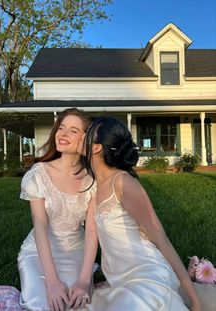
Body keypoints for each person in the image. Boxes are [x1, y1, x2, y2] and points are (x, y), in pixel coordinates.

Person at [70, 116, 201, 311]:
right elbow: (91, 235)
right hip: (120, 280)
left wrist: (194, 300)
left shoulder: (123, 183)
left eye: (87, 133)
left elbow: (160, 237)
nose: (81, 135)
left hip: (146, 274)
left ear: (97, 148)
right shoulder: (96, 188)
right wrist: (83, 280)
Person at [18, 108, 97, 311]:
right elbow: (40, 226)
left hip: (77, 251)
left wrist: (84, 279)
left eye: (73, 130)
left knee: (79, 303)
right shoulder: (38, 175)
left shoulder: (93, 179)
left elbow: (91, 230)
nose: (63, 134)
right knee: (43, 305)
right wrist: (52, 282)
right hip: (38, 252)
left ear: (85, 138)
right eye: (61, 128)